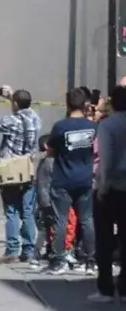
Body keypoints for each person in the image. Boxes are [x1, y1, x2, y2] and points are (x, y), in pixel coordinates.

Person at [0, 86, 41, 264]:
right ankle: (29, 249)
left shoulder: (11, 121)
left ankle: (11, 249)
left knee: (11, 211)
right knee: (27, 211)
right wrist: (13, 97)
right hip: (28, 169)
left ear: (15, 104)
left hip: (10, 170)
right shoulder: (35, 118)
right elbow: (27, 109)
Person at [45, 88, 97, 275]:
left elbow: (50, 151)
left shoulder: (60, 126)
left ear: (67, 105)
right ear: (85, 105)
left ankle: (59, 260)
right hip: (85, 179)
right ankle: (90, 261)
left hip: (63, 179)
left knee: (61, 220)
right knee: (87, 220)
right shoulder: (93, 127)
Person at [92, 86, 126, 302]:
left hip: (111, 186)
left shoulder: (107, 125)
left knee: (104, 239)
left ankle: (105, 288)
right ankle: (125, 289)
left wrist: (103, 186)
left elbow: (107, 158)